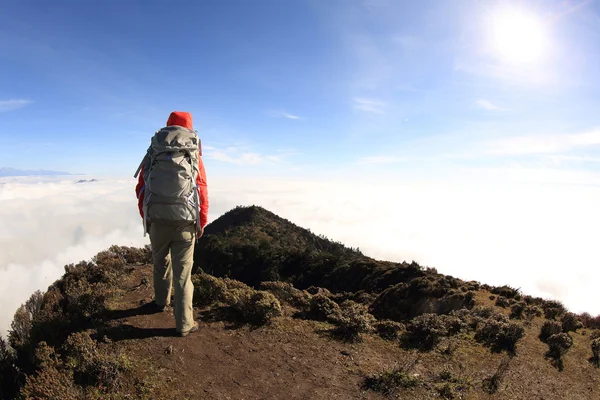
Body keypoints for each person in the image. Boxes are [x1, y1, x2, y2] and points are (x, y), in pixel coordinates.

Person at [135, 111, 209, 337]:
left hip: (157, 218)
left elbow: (141, 187)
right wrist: (201, 221)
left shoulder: (155, 151)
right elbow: (202, 189)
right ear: (190, 127)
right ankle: (184, 324)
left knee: (160, 262)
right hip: (184, 221)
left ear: (168, 125)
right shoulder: (193, 153)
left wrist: (147, 215)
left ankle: (159, 302)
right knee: (183, 274)